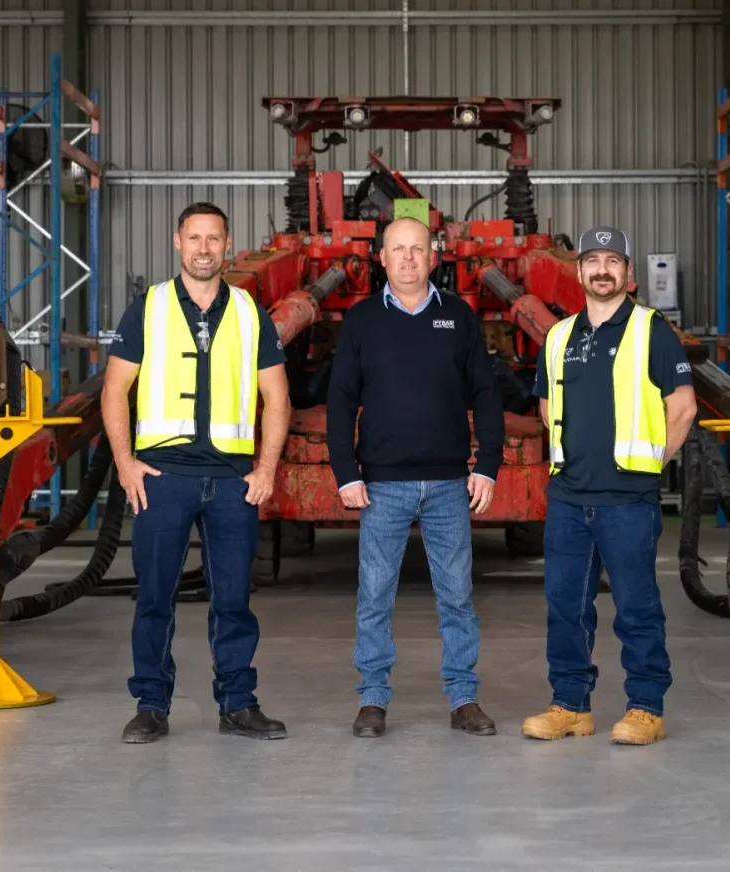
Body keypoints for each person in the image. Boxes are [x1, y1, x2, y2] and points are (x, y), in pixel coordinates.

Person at [102, 201, 292, 744]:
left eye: (213, 239)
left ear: (227, 245)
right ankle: (150, 705)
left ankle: (238, 704)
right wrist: (125, 463)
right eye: (194, 238)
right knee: (154, 597)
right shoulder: (149, 307)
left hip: (233, 481)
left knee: (233, 600)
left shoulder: (251, 312)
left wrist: (267, 469)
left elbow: (278, 398)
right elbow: (114, 388)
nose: (204, 249)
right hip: (162, 478)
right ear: (177, 242)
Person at [326, 216, 505, 739]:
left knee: (457, 596)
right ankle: (373, 699)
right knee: (375, 595)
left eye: (417, 248)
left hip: (449, 484)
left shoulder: (459, 316)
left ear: (434, 256)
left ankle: (464, 698)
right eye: (398, 249)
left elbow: (486, 395)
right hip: (381, 486)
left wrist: (488, 465)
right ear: (381, 258)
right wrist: (346, 473)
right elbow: (340, 401)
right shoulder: (362, 320)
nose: (407, 257)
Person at [520, 226, 697, 746]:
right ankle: (570, 706)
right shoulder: (557, 336)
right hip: (568, 497)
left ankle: (646, 708)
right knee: (565, 608)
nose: (602, 270)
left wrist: (651, 463)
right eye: (593, 261)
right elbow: (546, 405)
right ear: (579, 272)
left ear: (628, 273)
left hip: (627, 500)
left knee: (636, 608)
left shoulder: (652, 331)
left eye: (613, 261)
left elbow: (683, 407)